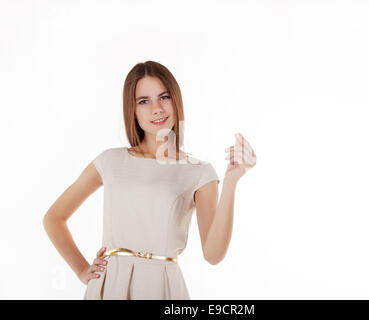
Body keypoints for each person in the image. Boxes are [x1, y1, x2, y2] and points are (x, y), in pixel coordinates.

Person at [42, 60, 257, 299]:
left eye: (164, 97)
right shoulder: (110, 161)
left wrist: (231, 181)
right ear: (131, 109)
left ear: (176, 100)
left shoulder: (199, 172)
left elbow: (213, 254)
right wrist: (82, 270)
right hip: (109, 286)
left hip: (163, 289)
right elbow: (54, 218)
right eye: (144, 101)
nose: (157, 108)